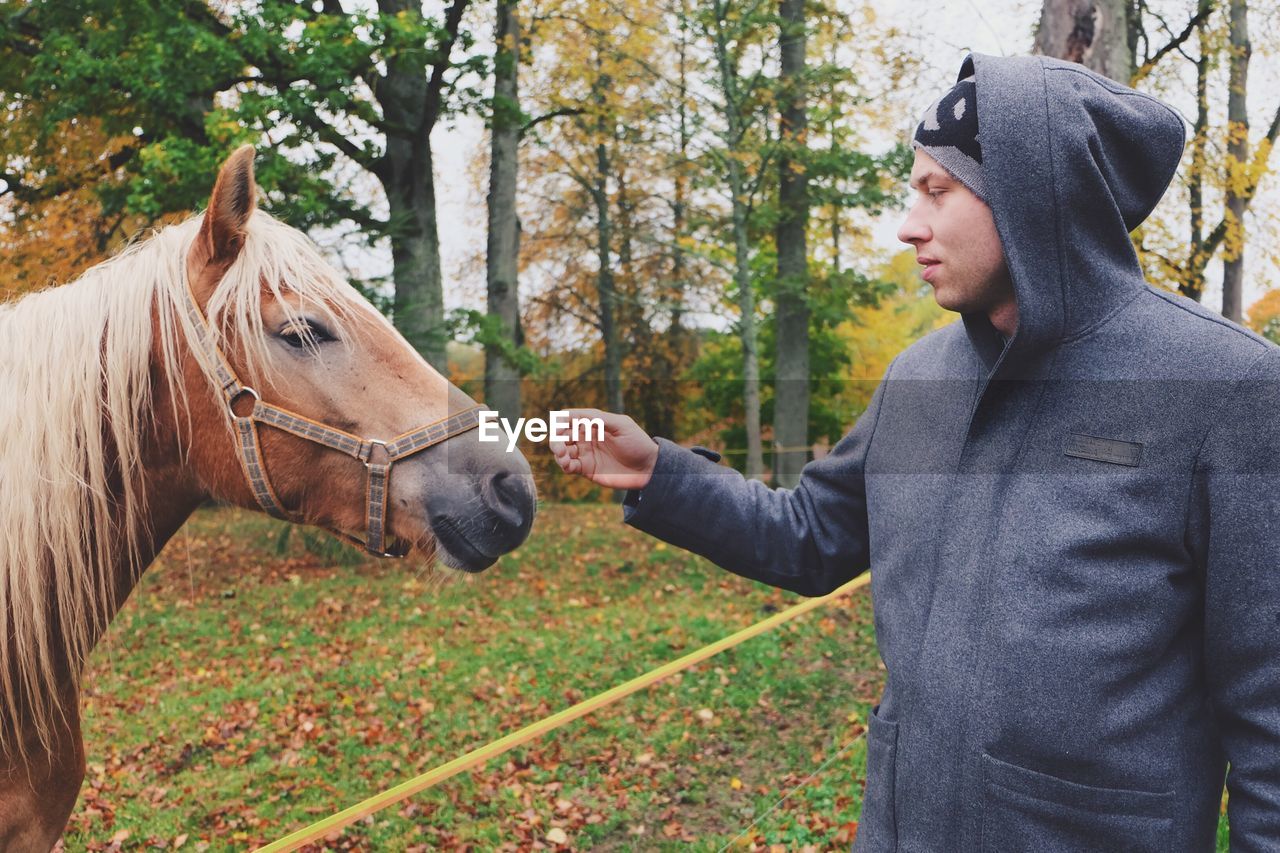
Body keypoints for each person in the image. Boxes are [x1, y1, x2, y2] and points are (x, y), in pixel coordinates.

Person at [550, 52, 1280, 852]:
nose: (909, 224)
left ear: (1036, 197)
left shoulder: (1226, 388)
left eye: (938, 190)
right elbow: (810, 534)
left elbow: (1268, 712)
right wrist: (657, 470)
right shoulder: (918, 378)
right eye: (913, 189)